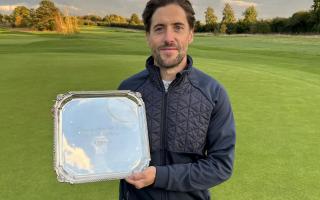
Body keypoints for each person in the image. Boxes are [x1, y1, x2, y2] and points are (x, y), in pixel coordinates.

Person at [118, 0, 236, 199]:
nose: (168, 38)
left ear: (191, 34)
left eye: (178, 28)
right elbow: (107, 146)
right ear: (148, 36)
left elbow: (221, 166)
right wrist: (71, 120)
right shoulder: (127, 92)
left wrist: (159, 176)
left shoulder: (213, 93)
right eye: (159, 29)